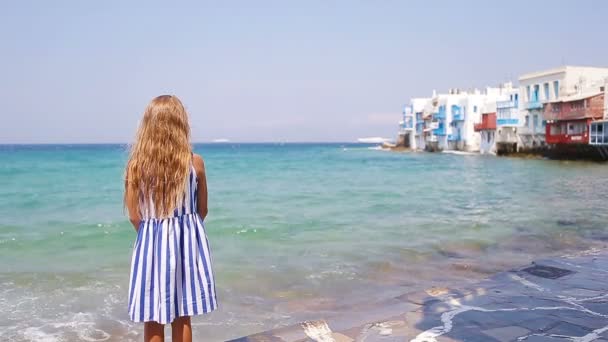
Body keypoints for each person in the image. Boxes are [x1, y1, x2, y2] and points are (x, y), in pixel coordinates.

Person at [124, 95, 217, 342]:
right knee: (182, 314)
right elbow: (202, 210)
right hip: (186, 244)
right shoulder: (195, 163)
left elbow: (134, 215)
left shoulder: (136, 166)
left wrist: (153, 235)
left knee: (152, 317)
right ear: (181, 126)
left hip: (151, 245)